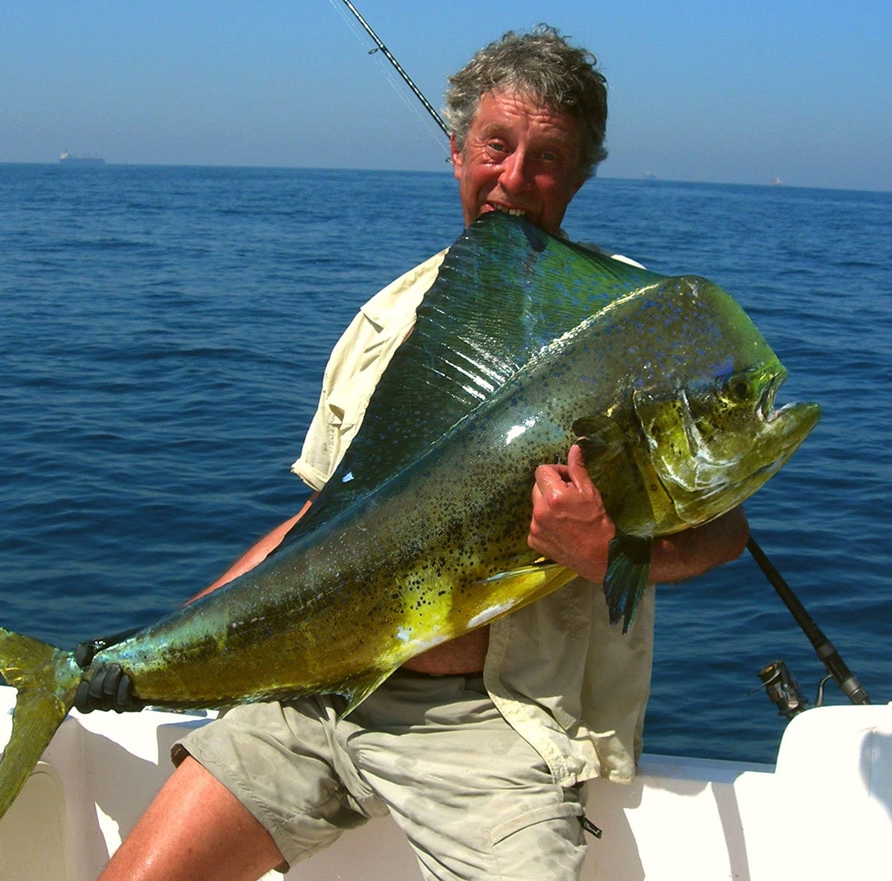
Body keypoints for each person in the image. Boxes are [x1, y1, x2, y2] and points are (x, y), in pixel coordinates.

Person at [87, 26, 749, 881]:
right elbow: (311, 529)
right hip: (316, 694)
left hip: (488, 727)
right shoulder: (382, 322)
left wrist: (610, 550)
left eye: (547, 157)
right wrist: (145, 646)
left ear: (582, 174)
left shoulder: (629, 331)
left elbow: (725, 531)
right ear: (457, 152)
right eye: (495, 146)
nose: (513, 178)